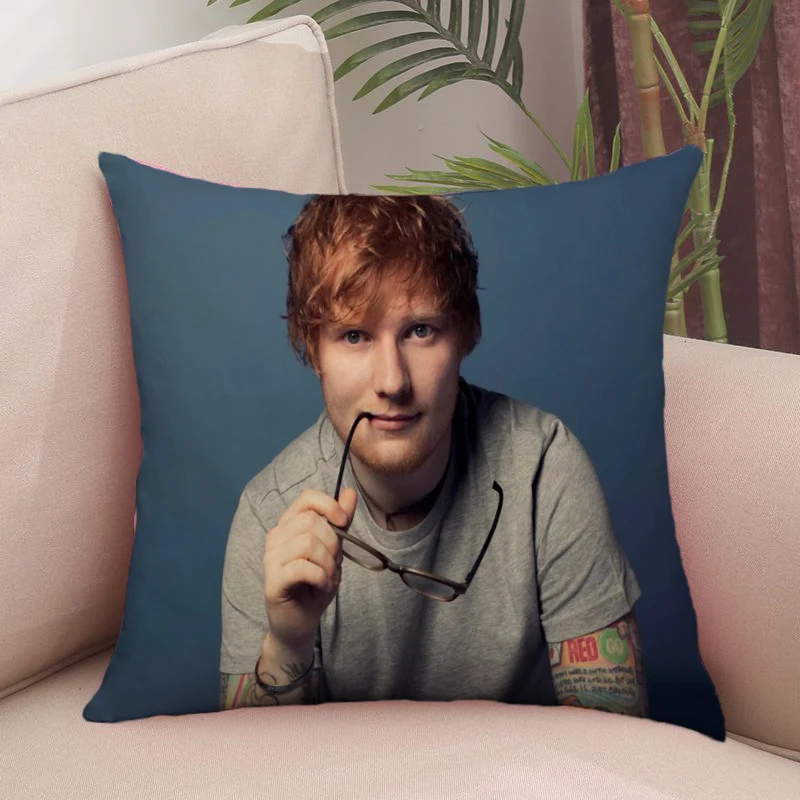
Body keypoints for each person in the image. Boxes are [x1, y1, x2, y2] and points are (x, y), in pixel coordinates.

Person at [219, 194, 646, 716]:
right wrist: (288, 645)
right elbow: (253, 764)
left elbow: (615, 740)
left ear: (466, 332)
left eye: (420, 330)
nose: (392, 382)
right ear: (313, 350)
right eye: (354, 335)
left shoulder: (543, 468)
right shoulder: (269, 514)